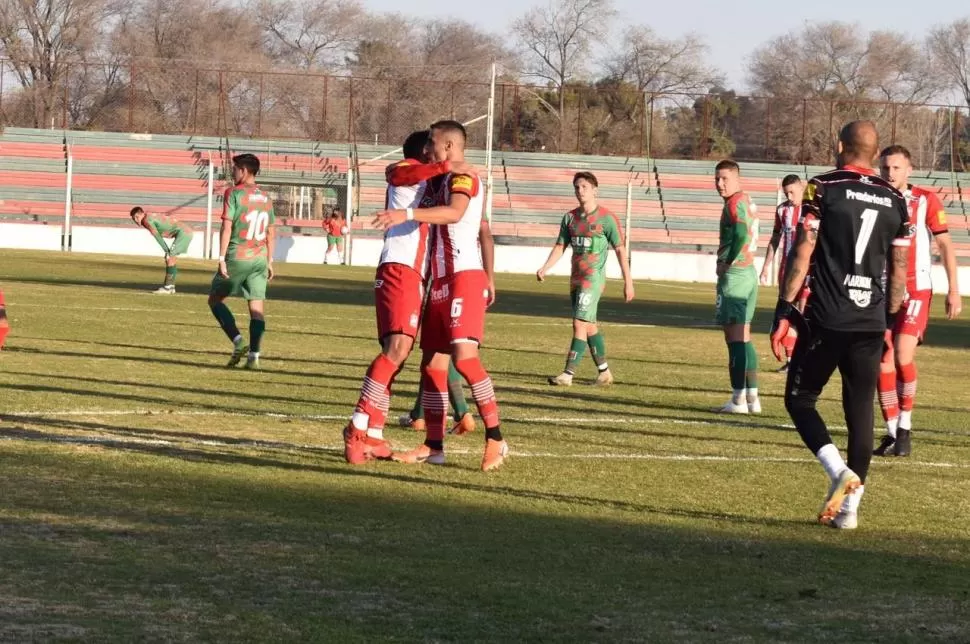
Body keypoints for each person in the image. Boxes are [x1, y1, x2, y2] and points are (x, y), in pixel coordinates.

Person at [770, 120, 912, 530]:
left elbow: (804, 248)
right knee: (859, 410)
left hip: (828, 315)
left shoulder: (823, 187)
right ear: (875, 151)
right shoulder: (896, 198)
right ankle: (850, 511)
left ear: (839, 146)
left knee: (800, 399)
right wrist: (888, 318)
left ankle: (838, 472)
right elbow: (898, 269)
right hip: (871, 318)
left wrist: (784, 307)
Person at [372, 120, 507, 472]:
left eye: (432, 143)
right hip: (439, 279)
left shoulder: (463, 177)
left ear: (448, 146)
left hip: (463, 275)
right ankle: (434, 446)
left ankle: (496, 437)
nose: (428, 150)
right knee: (433, 363)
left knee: (464, 358)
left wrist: (408, 213)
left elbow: (457, 213)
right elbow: (398, 173)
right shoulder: (441, 176)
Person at [343, 129, 465, 464]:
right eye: (434, 146)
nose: (438, 152)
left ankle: (375, 434)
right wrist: (443, 168)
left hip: (413, 274)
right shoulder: (410, 170)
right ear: (425, 149)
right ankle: (356, 426)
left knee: (397, 353)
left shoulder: (430, 181)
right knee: (397, 350)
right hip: (400, 268)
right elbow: (397, 172)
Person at [874, 145, 962, 457]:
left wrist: (954, 289)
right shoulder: (875, 197)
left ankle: (905, 427)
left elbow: (945, 245)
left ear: (909, 170)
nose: (890, 173)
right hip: (880, 291)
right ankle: (892, 433)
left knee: (901, 355)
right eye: (885, 168)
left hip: (916, 289)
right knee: (880, 362)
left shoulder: (925, 199)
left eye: (896, 168)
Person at [536, 171, 634, 386]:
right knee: (589, 326)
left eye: (584, 187)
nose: (580, 191)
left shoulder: (607, 219)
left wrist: (628, 281)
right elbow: (561, 246)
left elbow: (620, 250)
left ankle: (568, 374)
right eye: (577, 187)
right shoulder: (570, 218)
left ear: (594, 190)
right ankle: (604, 372)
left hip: (593, 279)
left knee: (579, 323)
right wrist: (546, 267)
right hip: (576, 279)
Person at [207, 153, 276, 370]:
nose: (233, 172)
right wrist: (270, 261)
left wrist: (221, 258)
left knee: (215, 300)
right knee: (256, 308)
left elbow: (227, 226)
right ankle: (254, 356)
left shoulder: (234, 193)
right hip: (259, 258)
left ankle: (238, 342)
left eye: (235, 168)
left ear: (244, 171)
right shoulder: (266, 197)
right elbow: (271, 232)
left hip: (238, 256)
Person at [713, 160, 761, 414]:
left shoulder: (734, 203)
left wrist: (726, 262)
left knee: (734, 338)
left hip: (737, 275)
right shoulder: (746, 200)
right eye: (717, 179)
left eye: (725, 178)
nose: (720, 184)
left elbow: (741, 234)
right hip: (750, 272)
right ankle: (753, 397)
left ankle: (738, 399)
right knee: (744, 336)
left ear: (737, 178)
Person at [759, 174, 810, 372]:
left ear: (801, 187)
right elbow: (775, 239)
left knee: (804, 314)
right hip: (786, 271)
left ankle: (804, 360)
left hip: (807, 271)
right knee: (788, 315)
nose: (789, 196)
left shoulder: (811, 209)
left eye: (792, 192)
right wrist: (766, 266)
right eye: (786, 193)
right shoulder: (782, 211)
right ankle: (791, 362)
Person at [129, 207, 194, 294]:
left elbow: (157, 237)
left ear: (141, 215)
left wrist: (166, 250)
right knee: (171, 259)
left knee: (170, 258)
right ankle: (171, 287)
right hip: (185, 231)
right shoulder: (149, 217)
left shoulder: (147, 221)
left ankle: (167, 287)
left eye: (136, 217)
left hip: (183, 233)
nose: (136, 220)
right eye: (134, 219)